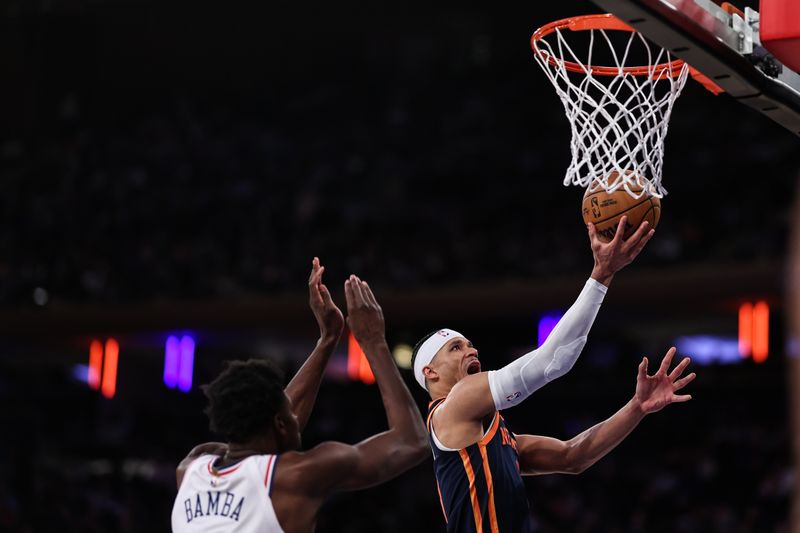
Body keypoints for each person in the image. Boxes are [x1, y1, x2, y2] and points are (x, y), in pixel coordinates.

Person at [413, 217, 696, 532]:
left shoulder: (489, 439)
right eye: (455, 348)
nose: (471, 351)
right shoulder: (456, 404)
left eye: (469, 344)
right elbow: (552, 361)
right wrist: (601, 276)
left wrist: (637, 406)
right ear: (431, 373)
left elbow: (573, 457)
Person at [171, 259, 428, 532]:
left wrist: (328, 338)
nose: (297, 417)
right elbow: (412, 441)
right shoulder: (298, 476)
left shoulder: (191, 469)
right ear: (280, 423)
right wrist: (373, 340)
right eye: (289, 415)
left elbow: (264, 433)